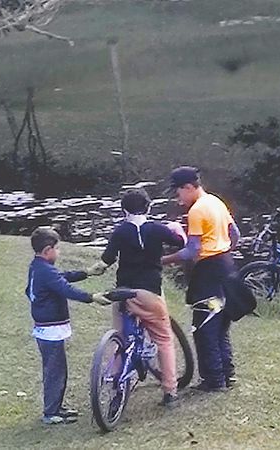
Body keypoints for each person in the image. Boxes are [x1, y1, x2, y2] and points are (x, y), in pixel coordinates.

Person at [86, 188, 186, 408]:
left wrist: (86, 273)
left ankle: (116, 384)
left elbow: (105, 263)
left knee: (120, 338)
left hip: (123, 293)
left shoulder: (120, 232)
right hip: (149, 292)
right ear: (148, 207)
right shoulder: (157, 229)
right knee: (163, 339)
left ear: (124, 211)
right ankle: (170, 391)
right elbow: (181, 242)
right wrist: (176, 228)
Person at [161, 166, 241, 392]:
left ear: (188, 187)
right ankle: (228, 374)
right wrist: (224, 253)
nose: (178, 199)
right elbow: (235, 234)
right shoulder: (216, 202)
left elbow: (191, 251)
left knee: (205, 325)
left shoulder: (197, 211)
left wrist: (162, 261)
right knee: (221, 323)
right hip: (226, 270)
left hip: (208, 275)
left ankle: (214, 380)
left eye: (177, 193)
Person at [25, 226, 110, 425]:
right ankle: (50, 413)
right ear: (48, 250)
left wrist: (86, 273)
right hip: (50, 330)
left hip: (46, 329)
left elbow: (61, 277)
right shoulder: (45, 271)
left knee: (58, 369)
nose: (59, 252)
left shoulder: (38, 267)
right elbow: (65, 288)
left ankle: (56, 406)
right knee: (55, 371)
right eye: (57, 248)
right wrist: (92, 297)